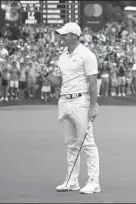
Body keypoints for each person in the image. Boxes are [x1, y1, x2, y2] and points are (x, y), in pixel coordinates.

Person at [38, 22, 100, 194]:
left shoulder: (87, 55)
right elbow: (60, 82)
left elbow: (93, 83)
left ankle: (94, 182)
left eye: (65, 35)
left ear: (74, 35)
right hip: (64, 101)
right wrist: (46, 74)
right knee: (71, 145)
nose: (62, 37)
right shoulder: (63, 55)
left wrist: (93, 106)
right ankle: (72, 181)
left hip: (81, 102)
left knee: (87, 143)